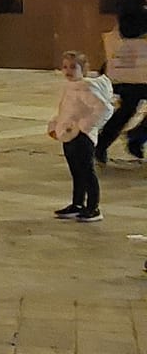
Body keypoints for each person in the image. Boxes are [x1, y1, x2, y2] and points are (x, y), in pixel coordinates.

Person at [49, 49, 114, 224]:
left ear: (83, 69)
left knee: (87, 172)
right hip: (69, 136)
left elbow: (105, 109)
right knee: (76, 172)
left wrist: (84, 127)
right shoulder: (70, 87)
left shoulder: (86, 87)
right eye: (65, 67)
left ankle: (93, 207)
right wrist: (56, 125)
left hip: (82, 138)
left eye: (73, 67)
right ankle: (77, 204)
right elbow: (67, 111)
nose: (68, 71)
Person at [95, 0, 147, 164]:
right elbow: (128, 30)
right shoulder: (129, 2)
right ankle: (101, 143)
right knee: (128, 107)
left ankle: (137, 137)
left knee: (129, 107)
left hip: (143, 66)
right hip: (131, 66)